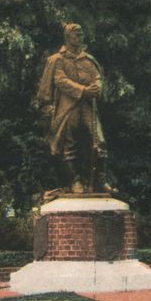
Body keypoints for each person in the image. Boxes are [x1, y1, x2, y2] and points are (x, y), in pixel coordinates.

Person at [34, 23, 114, 194]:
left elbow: (97, 77)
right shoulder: (58, 59)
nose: (80, 37)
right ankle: (74, 181)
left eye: (81, 34)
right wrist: (84, 90)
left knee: (99, 141)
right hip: (67, 108)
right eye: (77, 34)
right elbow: (61, 81)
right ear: (67, 37)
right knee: (68, 145)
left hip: (87, 107)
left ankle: (100, 180)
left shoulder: (88, 60)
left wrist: (97, 87)